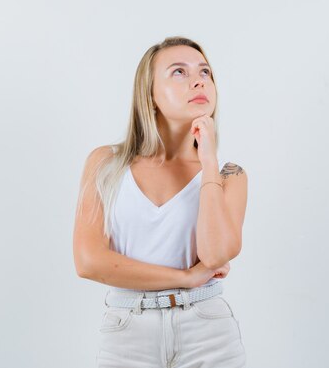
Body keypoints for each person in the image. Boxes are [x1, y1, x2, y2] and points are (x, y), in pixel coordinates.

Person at [73, 36, 248, 367]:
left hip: (208, 331)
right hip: (128, 331)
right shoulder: (106, 164)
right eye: (179, 72)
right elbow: (88, 262)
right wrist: (186, 277)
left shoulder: (230, 176)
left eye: (205, 72)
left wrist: (208, 161)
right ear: (149, 95)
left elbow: (213, 253)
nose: (198, 80)